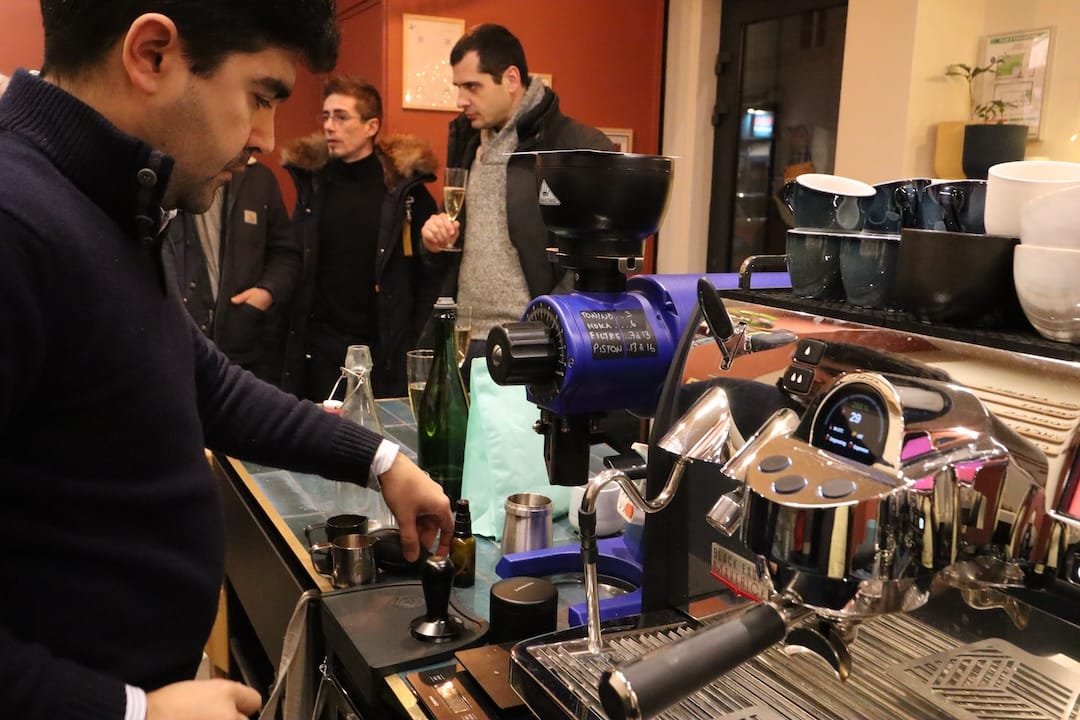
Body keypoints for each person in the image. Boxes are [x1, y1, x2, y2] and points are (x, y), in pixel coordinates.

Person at [0, 4, 452, 720]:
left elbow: (202, 380)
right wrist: (130, 713)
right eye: (261, 96)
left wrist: (380, 461)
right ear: (151, 54)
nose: (268, 140)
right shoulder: (16, 221)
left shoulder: (105, 205)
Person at [420, 23, 614, 364]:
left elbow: (599, 254)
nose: (460, 100)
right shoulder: (466, 142)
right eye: (458, 87)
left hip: (532, 344)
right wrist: (434, 242)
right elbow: (456, 247)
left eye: (472, 87)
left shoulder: (578, 146)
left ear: (511, 79)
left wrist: (548, 327)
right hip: (463, 340)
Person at [280, 76, 445, 400]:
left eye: (341, 117)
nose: (329, 126)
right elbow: (296, 253)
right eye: (325, 116)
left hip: (383, 348)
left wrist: (414, 339)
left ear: (371, 126)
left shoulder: (403, 187)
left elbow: (430, 270)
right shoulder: (312, 183)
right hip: (320, 348)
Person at [164, 157, 301, 385]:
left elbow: (286, 253)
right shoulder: (173, 175)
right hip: (178, 343)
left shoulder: (259, 179)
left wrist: (266, 293)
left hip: (243, 344)